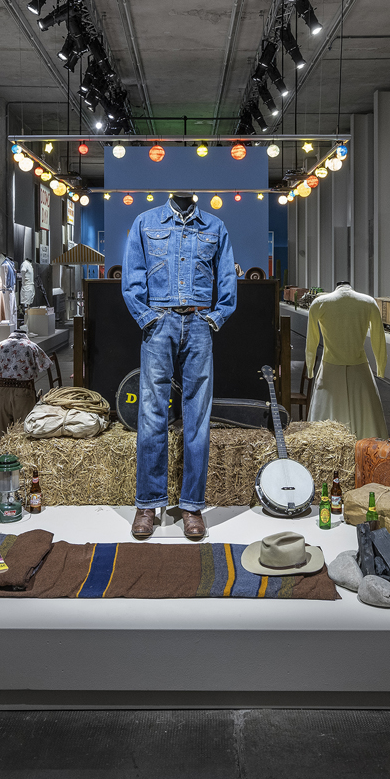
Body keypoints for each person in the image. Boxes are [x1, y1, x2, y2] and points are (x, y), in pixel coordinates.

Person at [121, 193, 237, 540]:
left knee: (198, 416)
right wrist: (147, 317)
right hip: (159, 322)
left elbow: (227, 279)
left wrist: (217, 316)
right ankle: (147, 504)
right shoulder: (146, 222)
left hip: (199, 322)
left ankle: (191, 506)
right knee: (151, 412)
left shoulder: (215, 226)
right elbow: (132, 277)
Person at [305, 281, 388, 439]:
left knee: (326, 419)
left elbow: (312, 341)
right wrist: (381, 368)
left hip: (330, 371)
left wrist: (310, 368)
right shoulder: (368, 302)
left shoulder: (320, 303)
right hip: (360, 371)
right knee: (367, 420)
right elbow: (379, 338)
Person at [0, 326, 51, 438]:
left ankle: (0, 454)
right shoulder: (32, 346)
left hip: (3, 392)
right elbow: (45, 364)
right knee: (24, 432)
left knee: (0, 433)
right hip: (24, 391)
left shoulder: (0, 345)